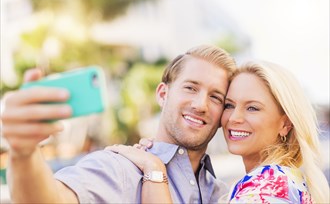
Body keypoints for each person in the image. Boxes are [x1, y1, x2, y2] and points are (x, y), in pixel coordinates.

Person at [0, 44, 237, 203]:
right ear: (163, 95)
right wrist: (23, 152)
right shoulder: (119, 168)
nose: (201, 104)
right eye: (190, 88)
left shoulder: (223, 193)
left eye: (216, 97)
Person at [109, 60, 330, 203]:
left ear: (285, 124)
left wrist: (154, 169)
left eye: (252, 108)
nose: (234, 118)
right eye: (229, 105)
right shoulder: (285, 179)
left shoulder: (267, 189)